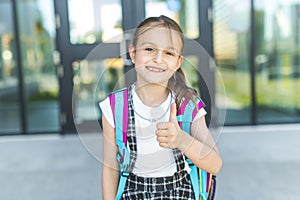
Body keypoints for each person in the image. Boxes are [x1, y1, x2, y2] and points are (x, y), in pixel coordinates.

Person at [100, 15, 222, 200]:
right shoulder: (115, 107)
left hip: (181, 192)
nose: (158, 59)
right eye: (149, 49)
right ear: (133, 54)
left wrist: (182, 140)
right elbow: (110, 168)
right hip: (134, 191)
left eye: (169, 53)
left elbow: (215, 165)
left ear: (178, 62)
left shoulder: (188, 105)